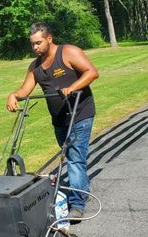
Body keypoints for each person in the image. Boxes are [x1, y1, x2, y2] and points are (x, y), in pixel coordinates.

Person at [6, 22, 99, 222]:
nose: (35, 48)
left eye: (38, 43)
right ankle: (82, 188)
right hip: (59, 119)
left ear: (49, 38)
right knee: (72, 156)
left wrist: (73, 87)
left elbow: (92, 72)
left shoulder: (68, 53)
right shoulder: (36, 67)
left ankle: (77, 205)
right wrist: (14, 95)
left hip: (80, 113)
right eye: (32, 44)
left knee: (74, 158)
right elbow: (25, 90)